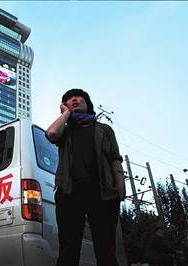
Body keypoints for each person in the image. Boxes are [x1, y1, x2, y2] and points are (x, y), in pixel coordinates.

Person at [46, 89, 125, 266]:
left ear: (87, 103)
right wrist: (66, 113)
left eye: (78, 97)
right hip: (69, 193)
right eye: (68, 100)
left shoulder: (104, 130)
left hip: (103, 193)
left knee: (106, 250)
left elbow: (114, 158)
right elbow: (51, 133)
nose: (73, 100)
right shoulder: (65, 130)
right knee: (68, 248)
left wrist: (120, 187)